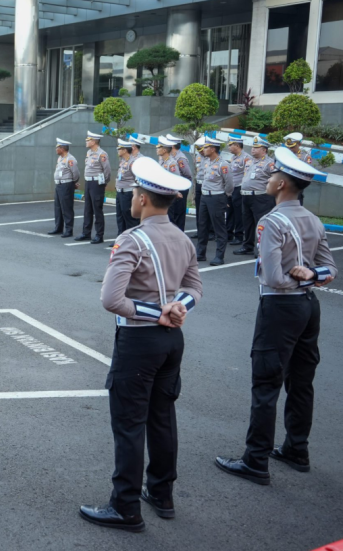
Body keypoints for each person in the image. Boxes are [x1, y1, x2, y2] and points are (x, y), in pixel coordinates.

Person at [80, 156, 202, 532]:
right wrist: (176, 309)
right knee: (162, 418)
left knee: (130, 424)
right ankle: (162, 494)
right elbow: (195, 288)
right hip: (171, 341)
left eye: (134, 192)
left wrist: (157, 312)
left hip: (139, 339)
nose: (131, 197)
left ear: (144, 200)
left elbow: (111, 300)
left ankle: (125, 506)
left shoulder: (131, 239)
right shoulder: (183, 238)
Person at [215, 148, 337, 485]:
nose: (268, 179)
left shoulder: (270, 221)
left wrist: (297, 276)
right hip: (308, 306)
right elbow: (330, 268)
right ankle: (297, 449)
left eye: (272, 176)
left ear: (282, 184)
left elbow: (271, 277)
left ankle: (255, 460)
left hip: (280, 307)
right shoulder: (312, 219)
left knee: (266, 383)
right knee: (301, 381)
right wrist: (311, 277)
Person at [234, 136, 277, 256]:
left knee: (261, 224)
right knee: (247, 222)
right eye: (253, 147)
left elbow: (275, 179)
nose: (253, 150)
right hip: (246, 196)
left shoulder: (270, 163)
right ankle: (247, 246)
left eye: (256, 148)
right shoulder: (249, 162)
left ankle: (262, 249)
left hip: (261, 197)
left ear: (264, 150)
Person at [195, 137, 233, 266]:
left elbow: (229, 183)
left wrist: (225, 196)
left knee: (219, 227)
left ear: (213, 149)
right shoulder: (206, 162)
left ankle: (219, 256)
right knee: (202, 225)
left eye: (206, 147)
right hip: (205, 197)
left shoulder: (223, 164)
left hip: (217, 197)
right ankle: (200, 253)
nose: (203, 150)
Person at [74, 131, 110, 244]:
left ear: (94, 141)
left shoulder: (102, 154)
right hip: (88, 182)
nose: (86, 141)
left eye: (88, 140)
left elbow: (107, 171)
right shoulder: (89, 152)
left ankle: (99, 235)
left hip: (96, 183)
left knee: (97, 209)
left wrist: (103, 183)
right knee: (87, 209)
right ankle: (86, 233)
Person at [48, 138, 79, 238]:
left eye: (58, 147)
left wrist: (72, 183)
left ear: (63, 148)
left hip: (66, 185)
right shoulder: (60, 158)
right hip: (59, 185)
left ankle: (69, 229)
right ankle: (58, 227)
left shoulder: (70, 159)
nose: (56, 149)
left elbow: (76, 173)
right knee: (58, 207)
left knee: (67, 208)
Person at [113, 137, 142, 243]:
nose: (118, 151)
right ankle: (121, 238)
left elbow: (138, 179)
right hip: (120, 192)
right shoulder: (123, 161)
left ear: (125, 150)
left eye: (119, 149)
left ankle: (132, 240)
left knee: (129, 217)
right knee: (120, 216)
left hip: (128, 193)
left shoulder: (133, 162)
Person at [157, 137, 189, 231]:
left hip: (170, 193)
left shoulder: (172, 163)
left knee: (171, 218)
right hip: (163, 193)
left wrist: (176, 191)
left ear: (164, 150)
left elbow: (177, 179)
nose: (157, 149)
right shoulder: (162, 161)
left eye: (159, 148)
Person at [226, 136, 252, 245]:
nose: (229, 147)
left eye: (230, 145)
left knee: (238, 213)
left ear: (237, 145)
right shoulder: (234, 158)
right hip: (232, 188)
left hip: (239, 188)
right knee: (230, 212)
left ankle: (239, 236)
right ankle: (229, 234)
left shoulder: (246, 158)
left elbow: (248, 174)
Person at [283, 132, 314, 205]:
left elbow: (308, 173)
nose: (290, 149)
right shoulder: (284, 154)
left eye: (292, 147)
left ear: (299, 144)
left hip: (296, 187)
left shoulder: (305, 157)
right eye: (288, 147)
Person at [190, 137, 208, 238]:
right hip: (199, 183)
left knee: (208, 209)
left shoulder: (211, 157)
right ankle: (200, 230)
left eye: (201, 149)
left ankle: (210, 231)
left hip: (207, 184)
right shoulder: (198, 155)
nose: (200, 152)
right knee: (199, 209)